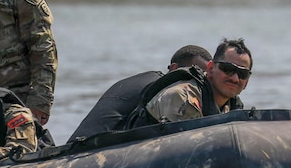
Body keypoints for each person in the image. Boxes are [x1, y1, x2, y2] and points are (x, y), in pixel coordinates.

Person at [69, 44, 213, 140]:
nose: (200, 83)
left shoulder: (148, 82)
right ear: (174, 69)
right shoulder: (157, 91)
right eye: (194, 74)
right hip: (86, 152)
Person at [127, 38, 252, 128]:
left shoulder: (233, 107)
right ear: (210, 69)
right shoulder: (181, 97)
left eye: (243, 74)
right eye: (228, 69)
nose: (235, 78)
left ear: (246, 82)